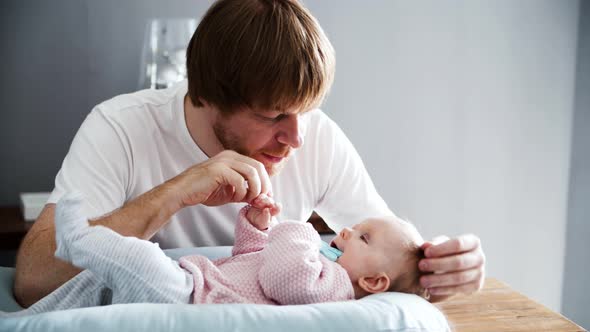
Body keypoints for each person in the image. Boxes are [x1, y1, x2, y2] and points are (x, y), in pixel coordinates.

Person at [14, 0, 485, 308]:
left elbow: (385, 257)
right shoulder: (119, 127)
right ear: (205, 95)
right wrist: (176, 193)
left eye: (306, 111)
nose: (296, 137)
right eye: (273, 115)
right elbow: (32, 281)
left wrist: (440, 269)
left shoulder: (316, 137)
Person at [3, 191, 426, 317]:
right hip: (196, 280)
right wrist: (257, 228)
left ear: (372, 282)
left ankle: (80, 239)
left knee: (141, 257)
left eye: (364, 238)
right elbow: (253, 261)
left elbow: (283, 279)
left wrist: (297, 227)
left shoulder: (334, 286)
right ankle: (28, 321)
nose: (349, 230)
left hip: (191, 295)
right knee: (93, 284)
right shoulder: (320, 264)